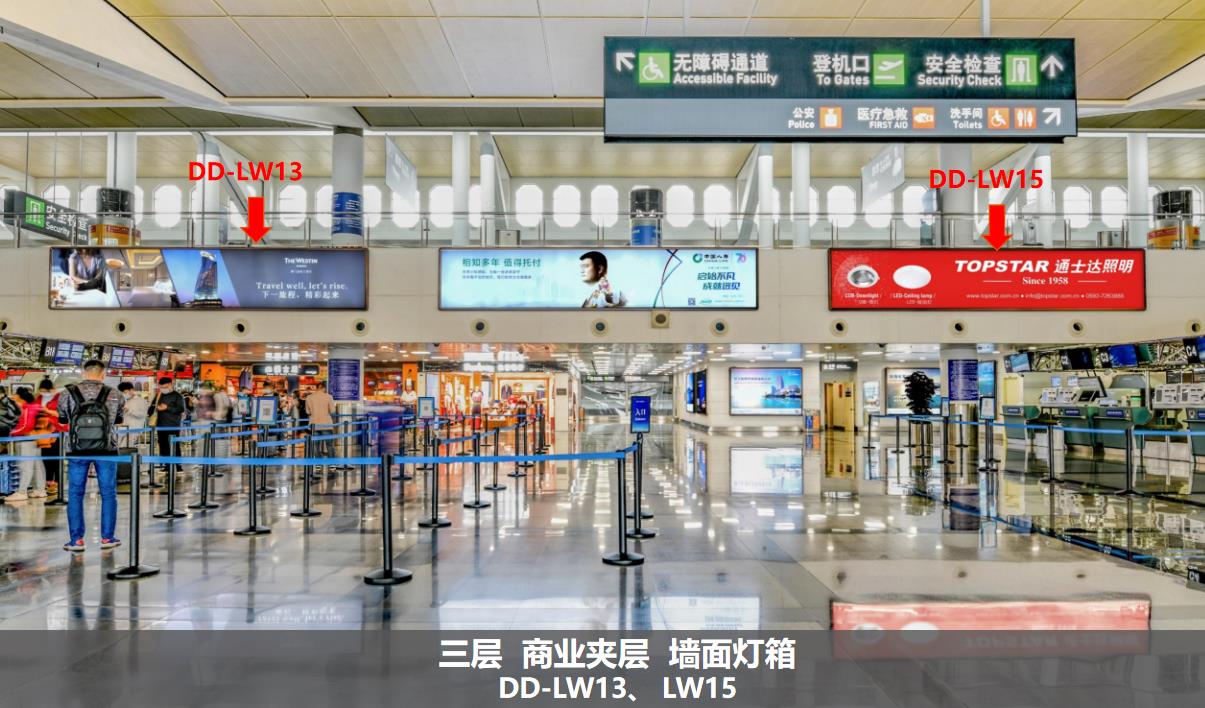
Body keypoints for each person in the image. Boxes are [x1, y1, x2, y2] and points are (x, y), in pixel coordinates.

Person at [58, 359, 125, 552]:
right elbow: (118, 421)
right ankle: (107, 538)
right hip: (107, 450)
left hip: (77, 449)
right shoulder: (115, 394)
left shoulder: (67, 393)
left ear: (83, 373)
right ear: (103, 374)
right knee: (108, 493)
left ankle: (76, 541)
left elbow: (63, 420)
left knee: (75, 493)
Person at [7, 388, 47, 502]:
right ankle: (40, 490)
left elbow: (26, 426)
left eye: (15, 394)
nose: (13, 396)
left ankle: (21, 492)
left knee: (25, 466)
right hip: (36, 439)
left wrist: (10, 433)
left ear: (20, 396)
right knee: (37, 465)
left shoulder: (27, 408)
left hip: (25, 439)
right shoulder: (34, 406)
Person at [34, 379, 65, 496]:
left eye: (46, 391)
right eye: (41, 391)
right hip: (42, 432)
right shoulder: (38, 398)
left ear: (52, 389)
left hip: (56, 432)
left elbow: (61, 415)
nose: (44, 393)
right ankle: (48, 481)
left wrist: (47, 410)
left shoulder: (59, 398)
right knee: (45, 458)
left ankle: (56, 483)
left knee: (56, 458)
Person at [150, 377, 187, 476]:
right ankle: (167, 466)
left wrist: (167, 408)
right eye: (161, 387)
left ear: (170, 384)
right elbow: (151, 408)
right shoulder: (159, 395)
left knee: (175, 446)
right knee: (163, 446)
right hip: (160, 425)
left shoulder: (177, 396)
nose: (163, 389)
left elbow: (181, 409)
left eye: (165, 387)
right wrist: (155, 407)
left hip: (173, 426)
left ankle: (179, 467)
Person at [0, 388, 24, 500]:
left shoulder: (8, 403)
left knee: (3, 460)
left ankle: (3, 487)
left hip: (3, 432)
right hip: (4, 432)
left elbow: (16, 416)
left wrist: (9, 426)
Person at [305, 382, 337, 460]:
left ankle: (318, 463)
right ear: (323, 388)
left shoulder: (309, 397)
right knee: (329, 445)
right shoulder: (329, 397)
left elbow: (307, 412)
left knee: (316, 445)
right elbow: (333, 411)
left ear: (317, 387)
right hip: (326, 424)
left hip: (314, 425)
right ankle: (332, 463)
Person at [117, 382, 150, 449]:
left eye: (125, 392)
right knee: (118, 446)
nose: (124, 394)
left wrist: (129, 411)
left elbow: (143, 414)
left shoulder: (141, 401)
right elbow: (126, 416)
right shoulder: (126, 401)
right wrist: (122, 423)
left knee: (125, 447)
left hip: (135, 429)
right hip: (125, 428)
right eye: (123, 393)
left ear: (132, 390)